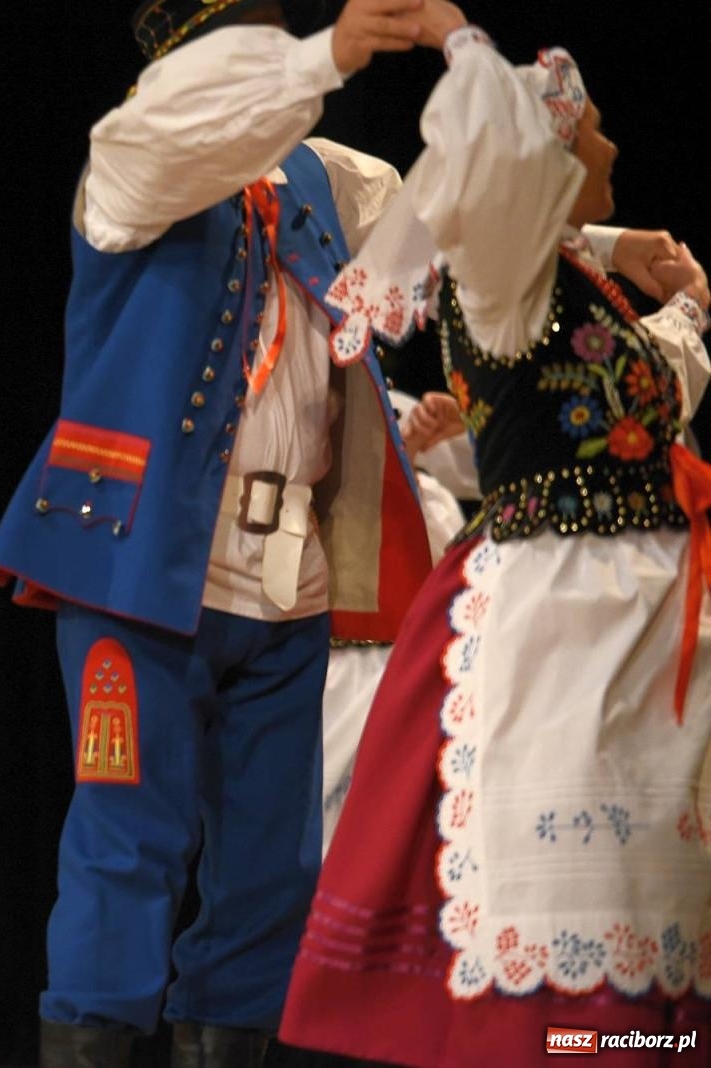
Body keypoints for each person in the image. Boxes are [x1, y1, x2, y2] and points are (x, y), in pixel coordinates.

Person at [0, 0, 448, 1063]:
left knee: (272, 874)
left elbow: (436, 229)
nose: (264, 78)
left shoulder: (322, 176)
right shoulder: (130, 154)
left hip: (288, 575)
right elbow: (198, 136)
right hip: (137, 566)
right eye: (242, 60)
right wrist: (321, 55)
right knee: (127, 848)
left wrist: (565, 197)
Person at [280, 9, 711, 1065]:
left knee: (652, 910)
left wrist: (667, 290)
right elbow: (491, 161)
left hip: (636, 622)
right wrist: (456, 38)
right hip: (565, 630)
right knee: (579, 907)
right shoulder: (507, 280)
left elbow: (638, 395)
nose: (612, 145)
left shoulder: (565, 278)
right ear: (550, 158)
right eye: (592, 131)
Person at [321, 389, 472, 851]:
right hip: (315, 650)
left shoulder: (387, 397)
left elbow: (499, 459)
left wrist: (458, 422)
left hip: (407, 654)